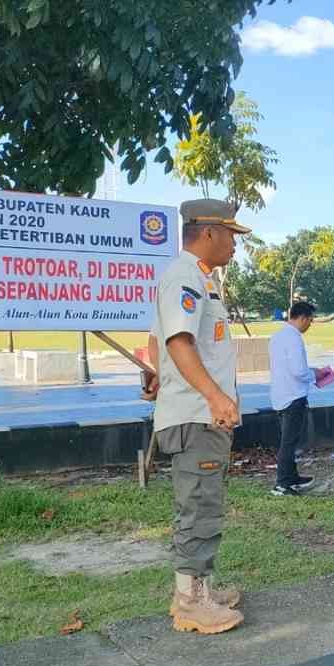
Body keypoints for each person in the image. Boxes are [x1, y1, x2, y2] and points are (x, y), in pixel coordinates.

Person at [145, 198, 249, 635]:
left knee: (205, 502)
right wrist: (215, 396)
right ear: (208, 232)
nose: (234, 244)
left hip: (196, 411)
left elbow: (158, 341)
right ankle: (191, 602)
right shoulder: (185, 275)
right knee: (198, 505)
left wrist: (160, 377)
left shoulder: (198, 280)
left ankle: (199, 588)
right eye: (230, 235)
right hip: (197, 415)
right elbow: (178, 341)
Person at [268, 301, 319, 496]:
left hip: (281, 394)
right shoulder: (294, 338)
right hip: (294, 395)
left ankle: (291, 476)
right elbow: (299, 371)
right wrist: (315, 376)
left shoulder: (278, 336)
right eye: (310, 320)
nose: (310, 325)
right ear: (303, 318)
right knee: (289, 442)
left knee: (288, 439)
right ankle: (282, 483)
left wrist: (310, 371)